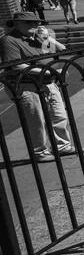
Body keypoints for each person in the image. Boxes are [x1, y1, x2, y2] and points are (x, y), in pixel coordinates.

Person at [1, 12, 75, 162]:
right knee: (36, 119)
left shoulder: (37, 39)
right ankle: (39, 151)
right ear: (17, 24)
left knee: (59, 115)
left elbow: (62, 50)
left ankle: (62, 146)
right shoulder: (9, 40)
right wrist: (50, 71)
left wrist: (48, 38)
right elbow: (17, 66)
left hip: (47, 82)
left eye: (36, 22)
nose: (33, 25)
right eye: (28, 23)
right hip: (26, 84)